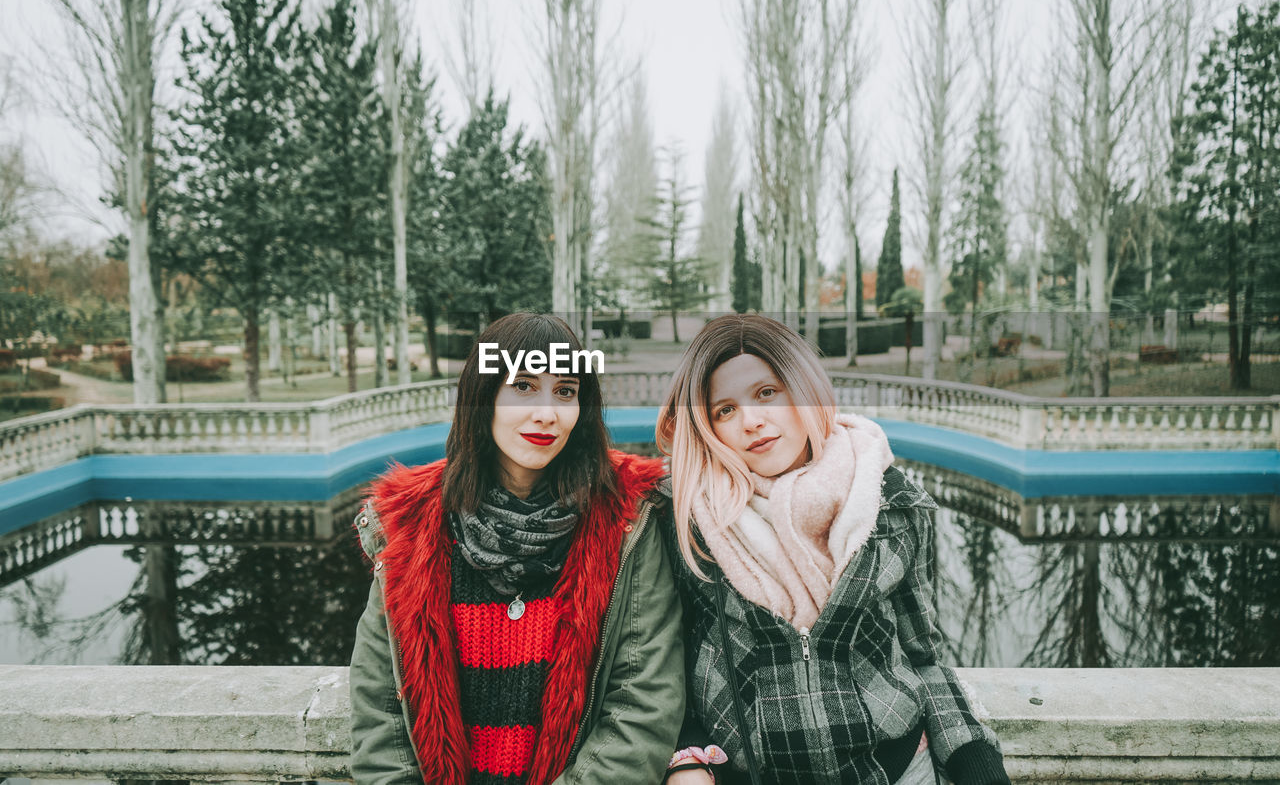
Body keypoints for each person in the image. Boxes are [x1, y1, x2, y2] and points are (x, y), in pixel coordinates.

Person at [655, 314, 1009, 785]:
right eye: (725, 410)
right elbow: (666, 666)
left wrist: (976, 762)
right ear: (708, 426)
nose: (752, 422)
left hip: (899, 769)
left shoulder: (890, 502)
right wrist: (688, 756)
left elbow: (924, 654)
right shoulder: (687, 517)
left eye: (766, 393)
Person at [349, 312, 684, 785]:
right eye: (524, 386)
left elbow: (642, 698)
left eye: (565, 391)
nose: (546, 412)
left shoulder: (626, 516)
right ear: (482, 397)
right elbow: (380, 704)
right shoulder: (411, 523)